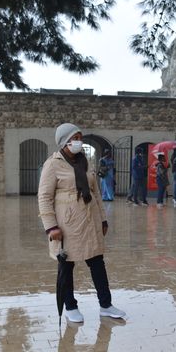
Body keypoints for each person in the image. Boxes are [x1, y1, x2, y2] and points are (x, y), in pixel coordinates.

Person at [38, 123, 126, 323]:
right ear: (64, 141)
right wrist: (51, 227)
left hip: (90, 220)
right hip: (67, 224)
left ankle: (106, 305)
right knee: (67, 266)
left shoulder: (86, 162)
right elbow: (44, 197)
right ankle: (70, 306)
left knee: (97, 262)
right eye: (75, 138)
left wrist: (103, 218)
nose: (79, 141)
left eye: (80, 137)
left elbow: (96, 193)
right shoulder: (53, 164)